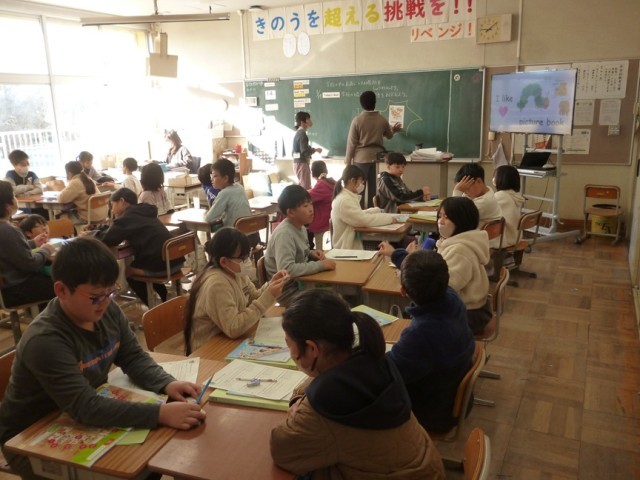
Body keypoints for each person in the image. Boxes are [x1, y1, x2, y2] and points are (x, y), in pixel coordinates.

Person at [0, 237, 206, 479]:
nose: (105, 302)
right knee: (138, 467)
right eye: (95, 296)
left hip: (74, 415)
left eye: (111, 292)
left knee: (151, 458)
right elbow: (85, 407)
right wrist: (159, 414)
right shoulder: (45, 340)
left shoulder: (106, 309)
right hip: (29, 437)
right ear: (62, 290)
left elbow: (132, 356)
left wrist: (166, 383)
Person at [270, 289, 445, 480]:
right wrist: (302, 398)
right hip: (425, 468)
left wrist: (300, 405)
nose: (289, 351)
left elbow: (282, 450)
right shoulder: (374, 360)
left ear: (312, 348)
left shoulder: (325, 403)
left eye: (289, 344)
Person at [388, 250, 475, 433]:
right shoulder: (452, 297)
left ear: (403, 291)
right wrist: (397, 255)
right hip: (453, 396)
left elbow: (387, 373)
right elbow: (424, 271)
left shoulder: (420, 334)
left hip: (434, 412)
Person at [380, 197, 491, 335]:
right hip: (465, 307)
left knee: (413, 321)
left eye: (447, 217)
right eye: (440, 216)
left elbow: (438, 287)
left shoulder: (461, 250)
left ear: (462, 220)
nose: (441, 221)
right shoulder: (455, 241)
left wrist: (409, 263)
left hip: (468, 314)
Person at [182, 227, 289, 355]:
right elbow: (234, 328)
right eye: (242, 257)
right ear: (224, 261)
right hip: (209, 350)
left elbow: (253, 297)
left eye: (248, 255)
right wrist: (268, 296)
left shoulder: (236, 272)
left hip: (226, 340)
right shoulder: (217, 284)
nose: (247, 261)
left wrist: (271, 285)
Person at [97, 188, 184, 306]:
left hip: (163, 267)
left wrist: (91, 234)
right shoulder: (144, 211)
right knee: (139, 265)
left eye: (112, 205)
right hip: (175, 261)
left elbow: (108, 240)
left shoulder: (127, 218)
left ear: (122, 201)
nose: (111, 210)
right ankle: (164, 297)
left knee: (129, 272)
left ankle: (153, 306)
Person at [264, 185, 335, 301]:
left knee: (335, 289)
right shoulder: (284, 234)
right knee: (331, 296)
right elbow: (287, 269)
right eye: (305, 206)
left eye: (311, 204)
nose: (311, 209)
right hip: (286, 290)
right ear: (291, 212)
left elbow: (301, 252)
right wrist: (321, 265)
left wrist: (311, 253)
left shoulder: (301, 227)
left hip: (300, 282)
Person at [0, 181, 55, 308]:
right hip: (17, 289)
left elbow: (10, 250)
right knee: (65, 282)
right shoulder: (8, 230)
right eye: (14, 196)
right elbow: (30, 264)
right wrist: (46, 249)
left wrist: (33, 243)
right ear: (7, 204)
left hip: (6, 289)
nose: (16, 198)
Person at [345, 91, 401, 208]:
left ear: (361, 104)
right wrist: (394, 130)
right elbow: (389, 135)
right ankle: (373, 212)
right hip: (377, 159)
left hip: (361, 159)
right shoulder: (382, 120)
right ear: (375, 102)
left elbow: (351, 143)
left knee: (358, 189)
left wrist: (348, 162)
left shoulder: (357, 120)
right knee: (374, 191)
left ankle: (358, 212)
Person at [331, 165, 397, 250]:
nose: (362, 185)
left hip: (351, 242)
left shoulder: (347, 197)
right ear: (352, 181)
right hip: (347, 248)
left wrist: (376, 210)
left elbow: (358, 215)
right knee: (387, 247)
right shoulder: (344, 200)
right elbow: (362, 220)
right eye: (361, 181)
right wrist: (389, 218)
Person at [204, 158, 251, 228]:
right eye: (211, 176)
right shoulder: (240, 187)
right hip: (250, 229)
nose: (211, 179)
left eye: (215, 176)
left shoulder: (224, 193)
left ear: (225, 178)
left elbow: (208, 218)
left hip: (234, 233)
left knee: (214, 228)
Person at [452, 162, 502, 229]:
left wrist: (457, 191)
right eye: (463, 190)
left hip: (475, 235)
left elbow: (455, 216)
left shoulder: (484, 202)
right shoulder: (487, 190)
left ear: (479, 181)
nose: (465, 193)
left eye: (467, 188)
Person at [58, 161, 108, 225]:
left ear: (69, 173)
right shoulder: (88, 179)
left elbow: (61, 198)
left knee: (63, 214)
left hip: (90, 217)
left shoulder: (75, 182)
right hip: (102, 214)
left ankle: (70, 231)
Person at [493, 165, 525, 247]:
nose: (493, 178)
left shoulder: (501, 196)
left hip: (504, 240)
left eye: (495, 176)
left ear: (501, 179)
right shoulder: (515, 195)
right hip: (515, 236)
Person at [306, 160, 335, 250]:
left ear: (312, 173)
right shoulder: (331, 182)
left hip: (321, 223)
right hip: (330, 220)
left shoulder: (321, 184)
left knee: (320, 250)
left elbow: (308, 197)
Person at [292, 111, 322, 189]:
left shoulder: (299, 133)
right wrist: (315, 150)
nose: (310, 121)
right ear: (303, 122)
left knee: (302, 187)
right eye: (308, 119)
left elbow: (300, 150)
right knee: (306, 188)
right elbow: (305, 151)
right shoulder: (302, 134)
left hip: (298, 163)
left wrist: (313, 149)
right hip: (301, 164)